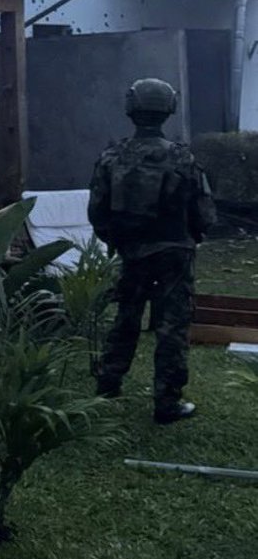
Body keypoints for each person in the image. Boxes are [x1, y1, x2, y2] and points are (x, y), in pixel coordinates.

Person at [88, 77, 216, 423]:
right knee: (172, 325)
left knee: (126, 317)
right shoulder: (182, 158)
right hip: (175, 252)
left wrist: (117, 240)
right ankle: (167, 401)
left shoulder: (111, 157)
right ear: (168, 109)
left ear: (131, 108)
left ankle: (109, 382)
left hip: (132, 252)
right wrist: (192, 237)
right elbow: (204, 213)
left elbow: (97, 212)